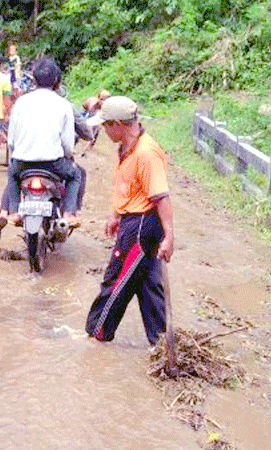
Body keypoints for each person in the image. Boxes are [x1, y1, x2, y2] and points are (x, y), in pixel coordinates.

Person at [84, 96, 175, 345]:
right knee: (148, 284)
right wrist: (115, 215)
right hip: (131, 219)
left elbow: (161, 196)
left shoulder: (147, 153)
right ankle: (162, 343)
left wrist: (169, 236)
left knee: (117, 281)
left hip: (141, 226)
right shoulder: (126, 148)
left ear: (118, 124)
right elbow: (127, 185)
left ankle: (96, 335)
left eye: (105, 125)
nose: (103, 130)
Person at [2, 57, 81, 226]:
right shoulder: (64, 105)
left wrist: (15, 155)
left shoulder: (21, 102)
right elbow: (67, 144)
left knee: (12, 173)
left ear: (34, 80)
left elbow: (11, 140)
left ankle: (14, 212)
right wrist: (68, 157)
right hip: (53, 163)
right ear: (57, 81)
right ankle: (68, 214)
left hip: (23, 163)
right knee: (75, 175)